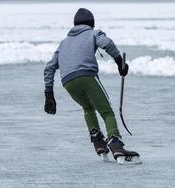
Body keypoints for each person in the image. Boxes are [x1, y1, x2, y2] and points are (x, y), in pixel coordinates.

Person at [43, 8, 140, 163]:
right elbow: (107, 43)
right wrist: (119, 62)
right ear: (91, 23)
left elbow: (49, 67)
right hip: (87, 77)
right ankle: (116, 144)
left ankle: (98, 142)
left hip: (68, 82)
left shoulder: (63, 43)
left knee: (88, 108)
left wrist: (49, 94)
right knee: (107, 111)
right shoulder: (93, 33)